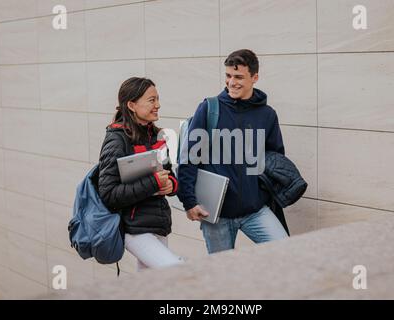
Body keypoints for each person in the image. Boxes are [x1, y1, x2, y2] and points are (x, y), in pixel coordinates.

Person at [177, 49, 288, 254]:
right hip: (216, 214)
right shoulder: (209, 108)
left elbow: (275, 159)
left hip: (256, 211)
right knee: (221, 274)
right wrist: (189, 202)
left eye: (238, 77)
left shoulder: (267, 115)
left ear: (255, 77)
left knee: (285, 251)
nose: (231, 82)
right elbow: (189, 159)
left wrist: (261, 193)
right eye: (228, 76)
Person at [98, 77, 184, 270]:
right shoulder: (117, 141)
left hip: (158, 224)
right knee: (176, 270)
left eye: (158, 99)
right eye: (151, 100)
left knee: (152, 287)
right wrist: (153, 182)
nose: (158, 105)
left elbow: (169, 174)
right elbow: (109, 194)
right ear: (131, 105)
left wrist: (171, 184)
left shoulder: (157, 135)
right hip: (134, 229)